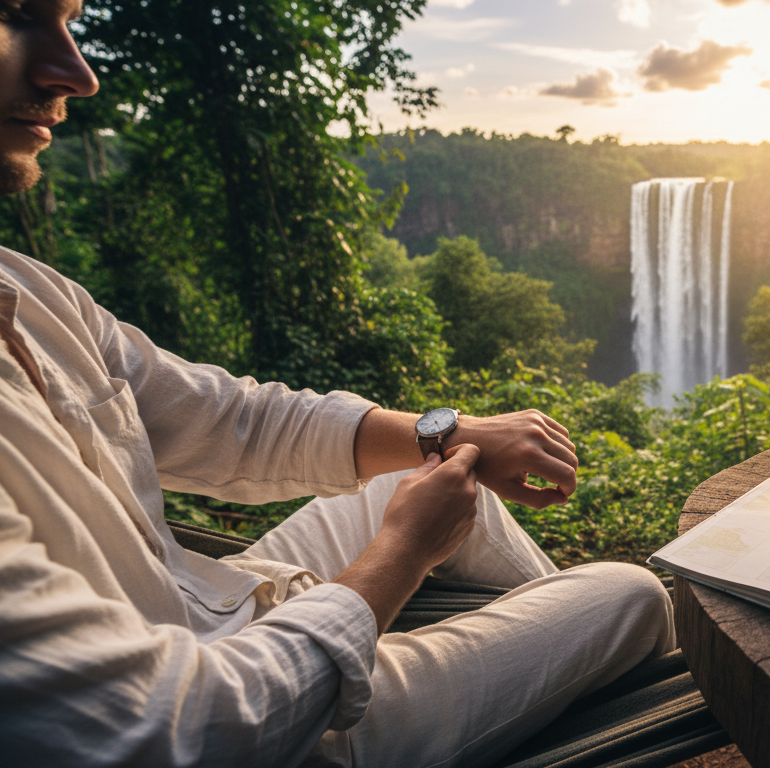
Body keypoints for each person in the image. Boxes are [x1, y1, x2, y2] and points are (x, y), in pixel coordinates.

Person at [0, 2, 675, 766]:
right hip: (274, 718)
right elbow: (168, 733)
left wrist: (451, 433)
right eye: (16, 16)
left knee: (428, 475)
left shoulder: (29, 291)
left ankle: (540, 660)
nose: (76, 73)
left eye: (67, 21)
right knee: (632, 594)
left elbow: (234, 422)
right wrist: (396, 560)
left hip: (224, 608)